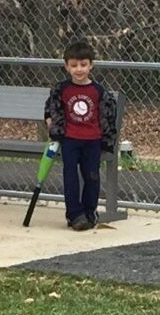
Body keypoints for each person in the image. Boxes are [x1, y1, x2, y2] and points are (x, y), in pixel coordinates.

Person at [44, 38, 119, 231]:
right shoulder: (62, 89)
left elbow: (109, 115)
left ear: (91, 65)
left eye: (83, 65)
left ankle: (89, 212)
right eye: (74, 65)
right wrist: (51, 122)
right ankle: (74, 215)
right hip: (70, 140)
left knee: (92, 177)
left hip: (92, 141)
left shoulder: (98, 91)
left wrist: (107, 139)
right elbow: (50, 108)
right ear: (66, 67)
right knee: (71, 176)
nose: (79, 69)